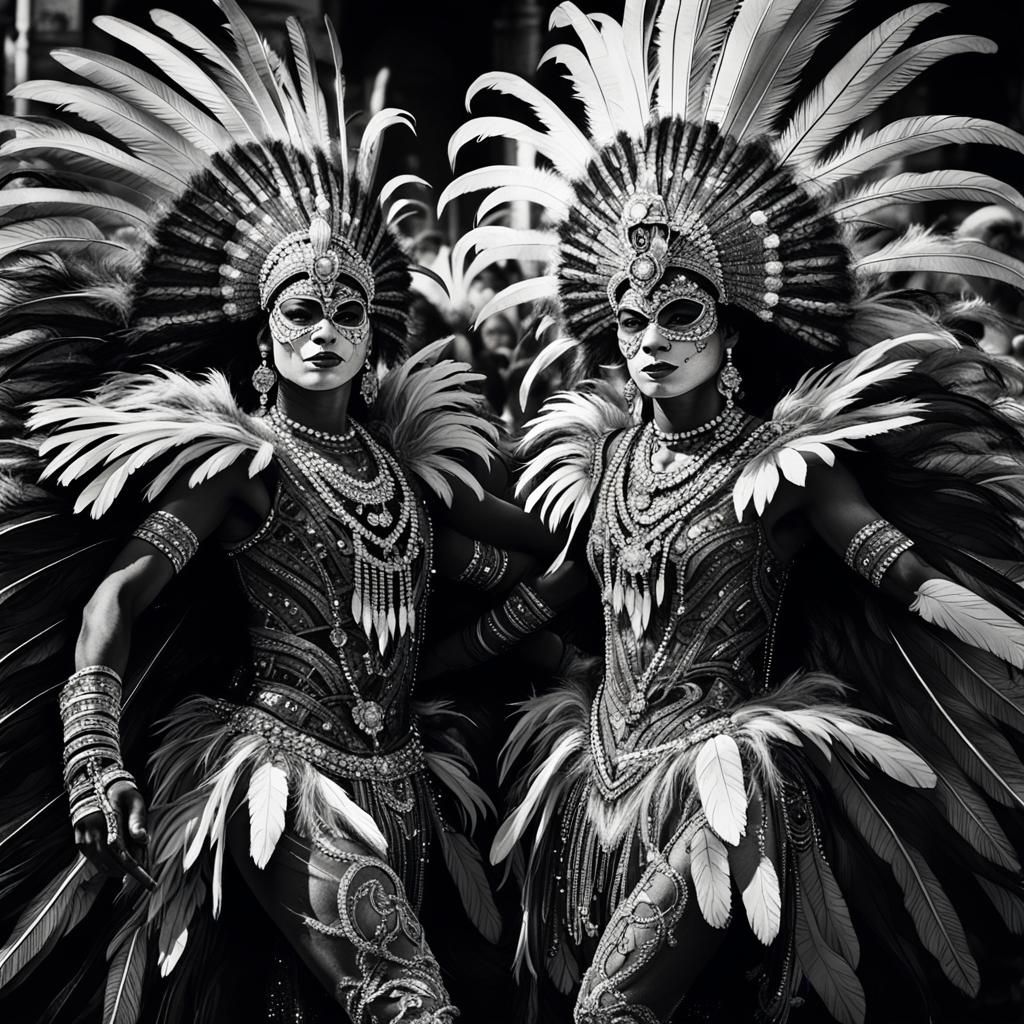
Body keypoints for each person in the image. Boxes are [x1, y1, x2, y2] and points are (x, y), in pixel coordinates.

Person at [441, 1, 1024, 1022]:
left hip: (727, 779)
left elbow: (887, 563)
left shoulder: (785, 462)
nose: (649, 341)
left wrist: (995, 630)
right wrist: (404, 659)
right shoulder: (605, 459)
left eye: (679, 314)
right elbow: (555, 583)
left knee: (612, 1012)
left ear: (732, 326)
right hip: (590, 784)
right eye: (630, 318)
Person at [0, 5, 569, 1022]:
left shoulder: (407, 477)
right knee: (409, 1006)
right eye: (300, 310)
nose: (323, 330)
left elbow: (533, 552)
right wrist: (94, 761)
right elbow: (116, 600)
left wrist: (624, 511)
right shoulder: (242, 469)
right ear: (262, 337)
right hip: (280, 779)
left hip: (407, 782)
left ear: (373, 337)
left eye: (346, 311)